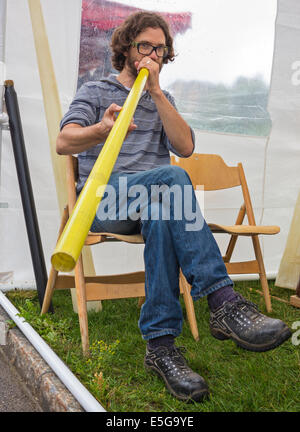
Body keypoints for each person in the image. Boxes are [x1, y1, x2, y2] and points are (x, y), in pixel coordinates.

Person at [56, 11, 291, 402]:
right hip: (105, 200)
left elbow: (184, 147)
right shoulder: (96, 92)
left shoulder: (164, 100)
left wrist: (158, 93)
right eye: (145, 45)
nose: (153, 53)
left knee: (164, 211)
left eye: (161, 48)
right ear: (127, 49)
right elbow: (64, 142)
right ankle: (223, 302)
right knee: (176, 179)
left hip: (155, 202)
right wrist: (102, 129)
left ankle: (161, 348)